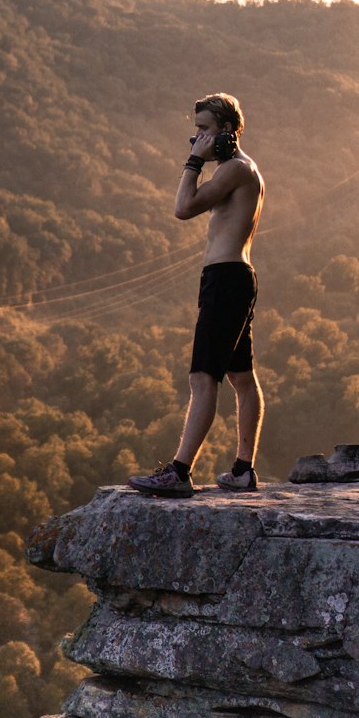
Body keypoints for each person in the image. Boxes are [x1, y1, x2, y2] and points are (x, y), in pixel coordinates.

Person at [128, 93, 265, 498]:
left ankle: (180, 472)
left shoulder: (236, 169)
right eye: (196, 132)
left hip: (226, 279)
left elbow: (183, 208)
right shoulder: (242, 169)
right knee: (241, 376)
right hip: (234, 277)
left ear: (227, 130)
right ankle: (243, 470)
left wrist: (193, 164)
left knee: (202, 377)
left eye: (204, 130)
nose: (198, 139)